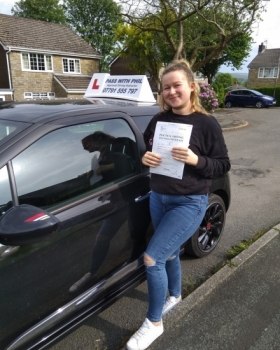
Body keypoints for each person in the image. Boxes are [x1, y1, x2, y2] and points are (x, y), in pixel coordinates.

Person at [126, 59, 231, 350]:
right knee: (170, 254)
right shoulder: (159, 120)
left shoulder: (206, 124)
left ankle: (154, 323)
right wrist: (145, 157)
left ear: (191, 88)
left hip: (189, 201)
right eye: (166, 88)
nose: (171, 92)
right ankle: (175, 294)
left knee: (152, 258)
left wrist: (197, 160)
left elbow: (223, 165)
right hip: (158, 197)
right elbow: (148, 149)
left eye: (177, 86)